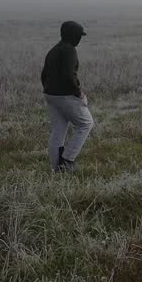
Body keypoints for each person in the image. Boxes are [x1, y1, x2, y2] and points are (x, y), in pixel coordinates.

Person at [41, 20, 93, 173]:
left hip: (50, 95)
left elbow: (43, 75)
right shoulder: (69, 50)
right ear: (73, 36)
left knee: (58, 129)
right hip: (65, 95)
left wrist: (49, 90)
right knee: (86, 124)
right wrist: (78, 92)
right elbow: (68, 75)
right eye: (79, 36)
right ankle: (67, 160)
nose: (79, 39)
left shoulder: (53, 50)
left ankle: (55, 167)